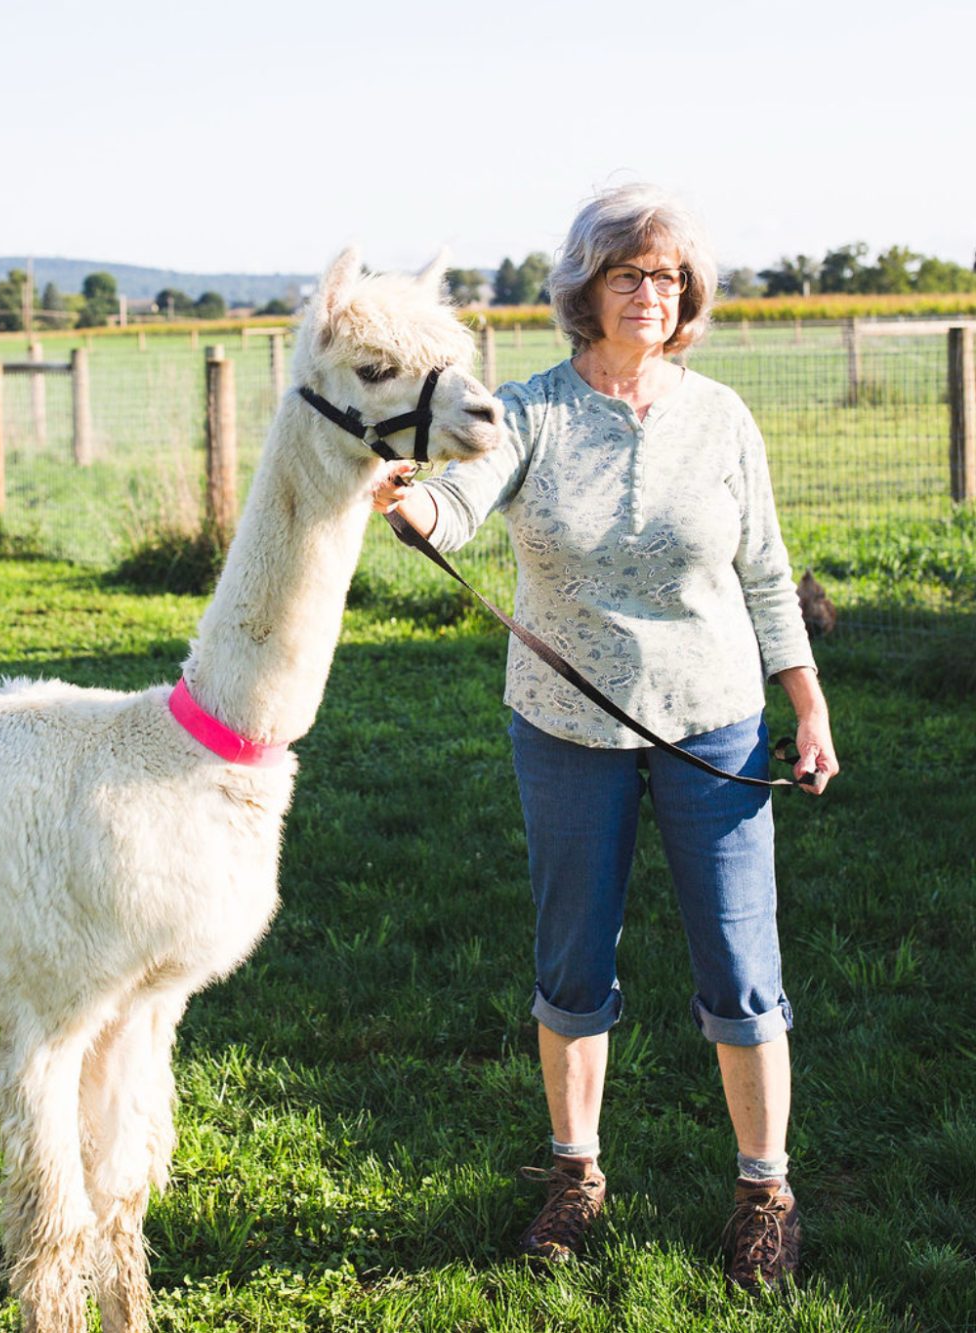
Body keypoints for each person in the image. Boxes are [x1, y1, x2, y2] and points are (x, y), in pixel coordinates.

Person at [371, 184, 837, 1290]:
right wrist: (411, 506)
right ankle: (574, 1177)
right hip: (564, 726)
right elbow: (461, 498)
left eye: (669, 277)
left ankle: (763, 1190)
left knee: (739, 964)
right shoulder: (525, 410)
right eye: (627, 273)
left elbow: (765, 573)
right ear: (585, 288)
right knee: (571, 962)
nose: (650, 293)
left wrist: (804, 700)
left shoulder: (719, 417)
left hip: (714, 728)